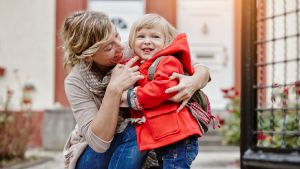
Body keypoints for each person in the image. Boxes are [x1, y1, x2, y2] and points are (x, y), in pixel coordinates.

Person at [61, 11, 211, 169]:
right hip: (93, 154)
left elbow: (198, 67)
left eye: (117, 36)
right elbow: (99, 143)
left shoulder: (136, 48)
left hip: (140, 143)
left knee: (139, 127)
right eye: (109, 47)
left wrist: (192, 82)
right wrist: (114, 89)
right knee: (136, 128)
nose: (121, 46)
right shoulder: (75, 82)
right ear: (87, 57)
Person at [121, 14, 202, 169]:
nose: (147, 41)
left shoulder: (167, 61)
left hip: (177, 139)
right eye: (141, 36)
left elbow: (163, 88)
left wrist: (130, 96)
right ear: (131, 42)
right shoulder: (141, 64)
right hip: (165, 138)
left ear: (166, 42)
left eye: (155, 36)